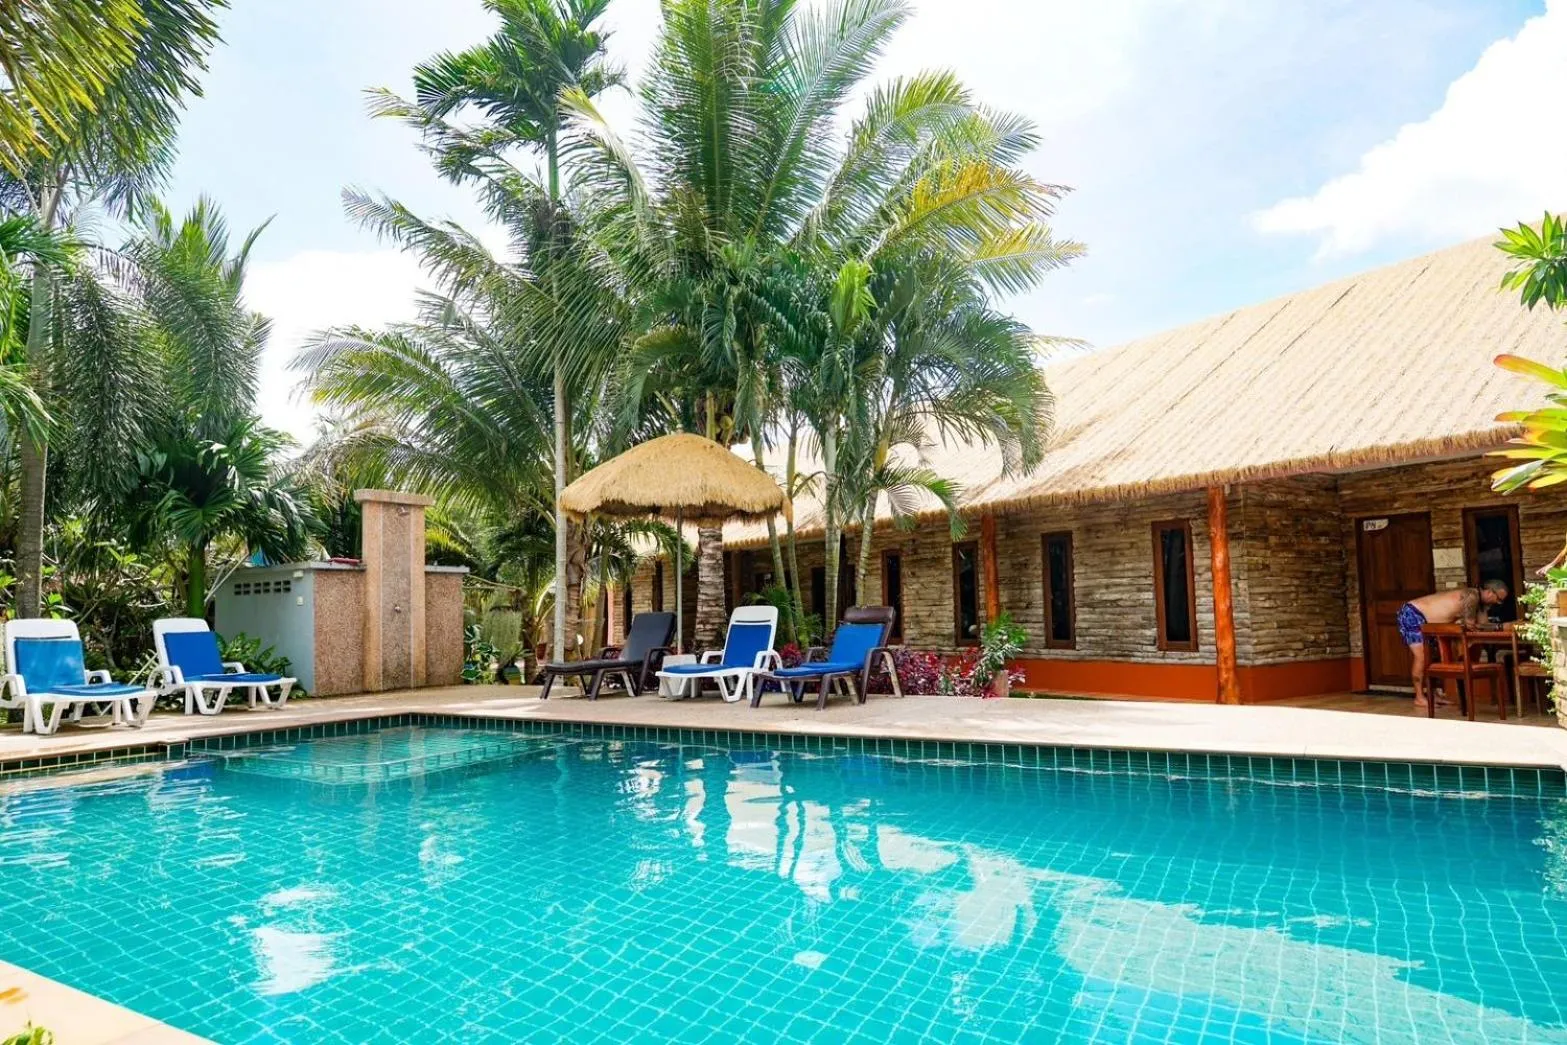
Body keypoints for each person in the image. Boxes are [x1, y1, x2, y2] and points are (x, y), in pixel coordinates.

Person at [1397, 579, 1509, 712]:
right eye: (1499, 599)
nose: (1498, 603)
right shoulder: (1472, 597)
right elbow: (1471, 625)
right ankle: (1419, 697)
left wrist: (1500, 626)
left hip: (1431, 623)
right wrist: (1502, 627)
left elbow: (1482, 626)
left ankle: (1433, 695)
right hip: (1414, 613)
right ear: (1490, 592)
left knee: (1432, 657)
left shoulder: (1480, 605)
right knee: (1421, 657)